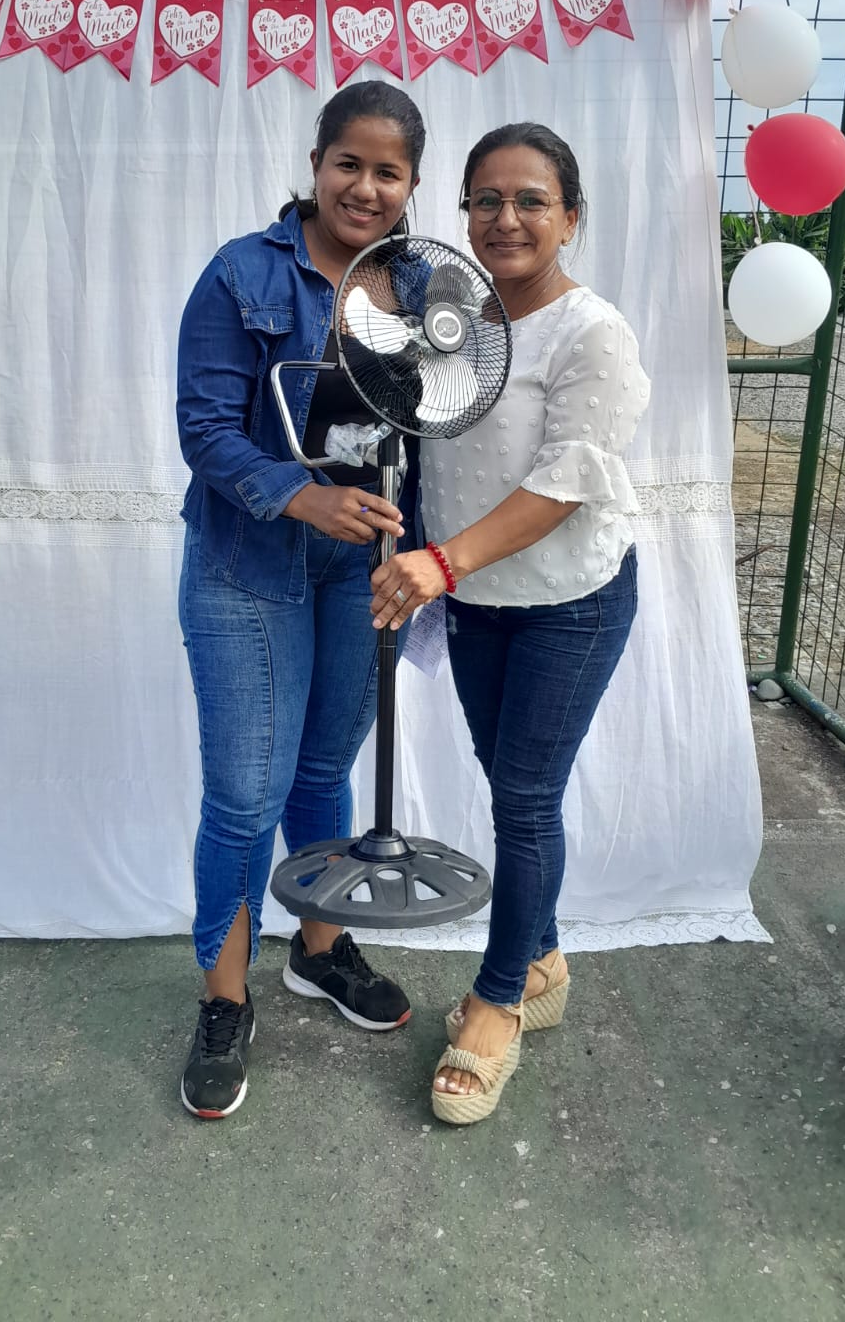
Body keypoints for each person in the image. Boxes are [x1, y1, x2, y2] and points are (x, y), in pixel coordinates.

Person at [368, 122, 650, 1125]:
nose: (507, 218)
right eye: (485, 199)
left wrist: (440, 563)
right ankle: (542, 959)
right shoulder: (461, 324)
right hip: (479, 603)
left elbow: (566, 484)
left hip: (570, 603)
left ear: (571, 217)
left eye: (532, 199)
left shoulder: (592, 334)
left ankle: (495, 1005)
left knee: (524, 799)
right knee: (515, 790)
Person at [175, 81, 427, 1120]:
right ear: (316, 164)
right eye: (347, 164)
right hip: (248, 563)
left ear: (411, 184)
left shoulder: (426, 286)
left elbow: (442, 427)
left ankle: (319, 951)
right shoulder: (242, 273)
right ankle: (223, 997)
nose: (365, 188)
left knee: (324, 770)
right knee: (245, 794)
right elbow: (203, 429)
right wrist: (301, 494)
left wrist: (427, 556)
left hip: (363, 569)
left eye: (388, 172)